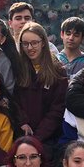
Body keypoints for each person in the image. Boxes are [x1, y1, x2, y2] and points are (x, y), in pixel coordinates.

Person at [12, 21, 68, 155]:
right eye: (25, 44)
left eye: (34, 43)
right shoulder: (19, 69)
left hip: (48, 137)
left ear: (43, 42)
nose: (30, 48)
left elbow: (57, 109)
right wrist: (22, 122)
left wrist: (37, 138)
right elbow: (15, 101)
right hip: (22, 132)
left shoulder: (57, 70)